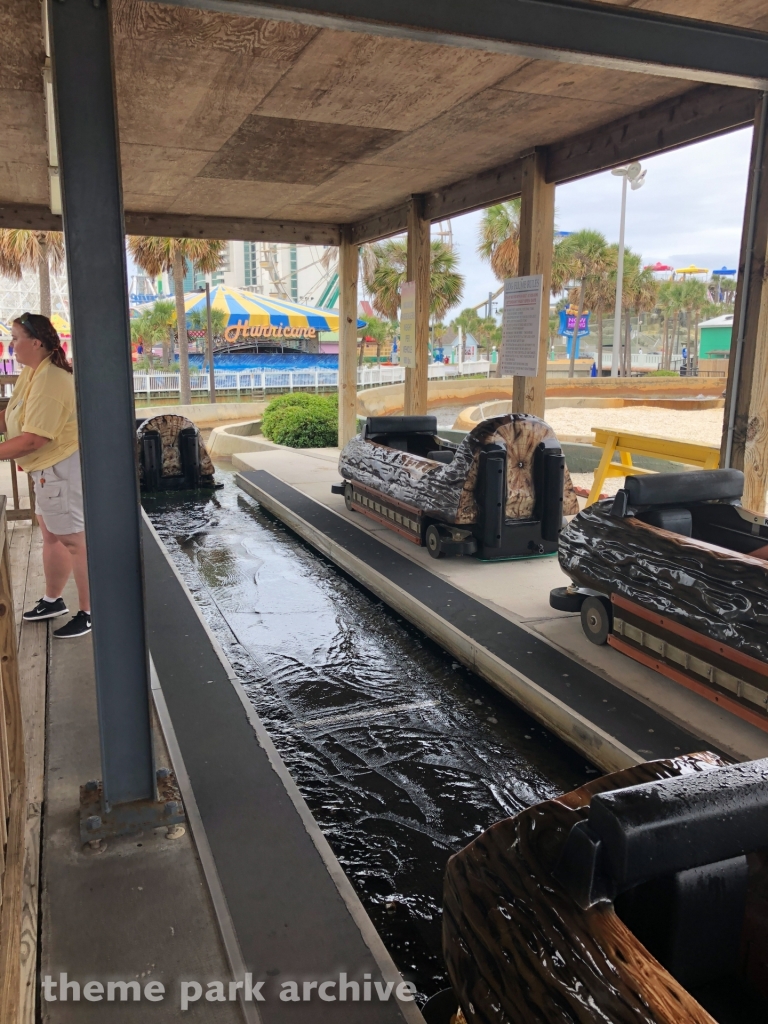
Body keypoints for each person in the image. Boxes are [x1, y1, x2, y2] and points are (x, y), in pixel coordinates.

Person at [0, 313, 90, 638]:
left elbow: (34, 439)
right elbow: (13, 416)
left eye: (16, 338)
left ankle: (90, 612)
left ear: (36, 342)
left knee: (76, 542)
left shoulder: (51, 380)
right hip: (46, 471)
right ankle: (54, 600)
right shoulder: (33, 372)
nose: (12, 344)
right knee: (52, 535)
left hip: (61, 468)